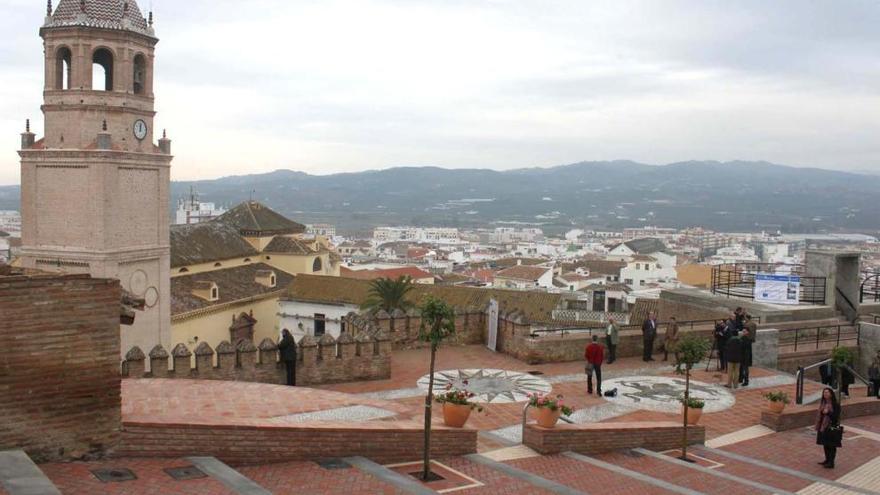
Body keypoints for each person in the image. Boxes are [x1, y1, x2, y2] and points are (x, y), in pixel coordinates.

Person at [816, 387, 842, 469]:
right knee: (825, 444)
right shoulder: (823, 403)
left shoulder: (835, 405)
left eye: (827, 392)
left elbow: (835, 417)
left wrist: (828, 413)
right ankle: (827, 460)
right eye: (824, 393)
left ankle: (831, 462)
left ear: (831, 394)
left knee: (831, 445)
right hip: (823, 427)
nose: (825, 394)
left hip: (831, 427)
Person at [739, 315, 755, 386]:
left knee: (745, 369)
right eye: (743, 331)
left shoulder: (746, 340)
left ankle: (745, 381)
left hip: (745, 356)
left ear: (747, 332)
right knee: (742, 368)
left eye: (744, 331)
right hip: (743, 355)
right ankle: (741, 379)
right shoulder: (745, 338)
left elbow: (745, 348)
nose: (743, 332)